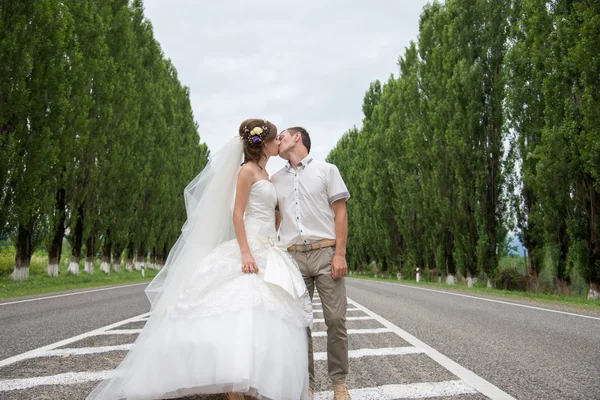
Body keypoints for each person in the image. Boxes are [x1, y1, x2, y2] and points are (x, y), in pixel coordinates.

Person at [87, 119, 312, 400]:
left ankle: (252, 383)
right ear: (263, 144)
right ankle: (234, 390)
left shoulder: (268, 175)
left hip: (270, 248)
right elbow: (237, 215)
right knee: (241, 309)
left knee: (268, 316)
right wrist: (245, 252)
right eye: (275, 139)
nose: (278, 142)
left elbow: (272, 214)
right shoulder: (247, 171)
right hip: (250, 247)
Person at [272, 127, 351, 400]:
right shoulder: (275, 179)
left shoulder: (327, 170)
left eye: (282, 135)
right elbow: (274, 221)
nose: (277, 140)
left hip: (325, 254)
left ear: (297, 138)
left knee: (336, 320)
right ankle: (306, 385)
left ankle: (339, 384)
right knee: (299, 325)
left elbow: (340, 213)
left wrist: (340, 254)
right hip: (292, 257)